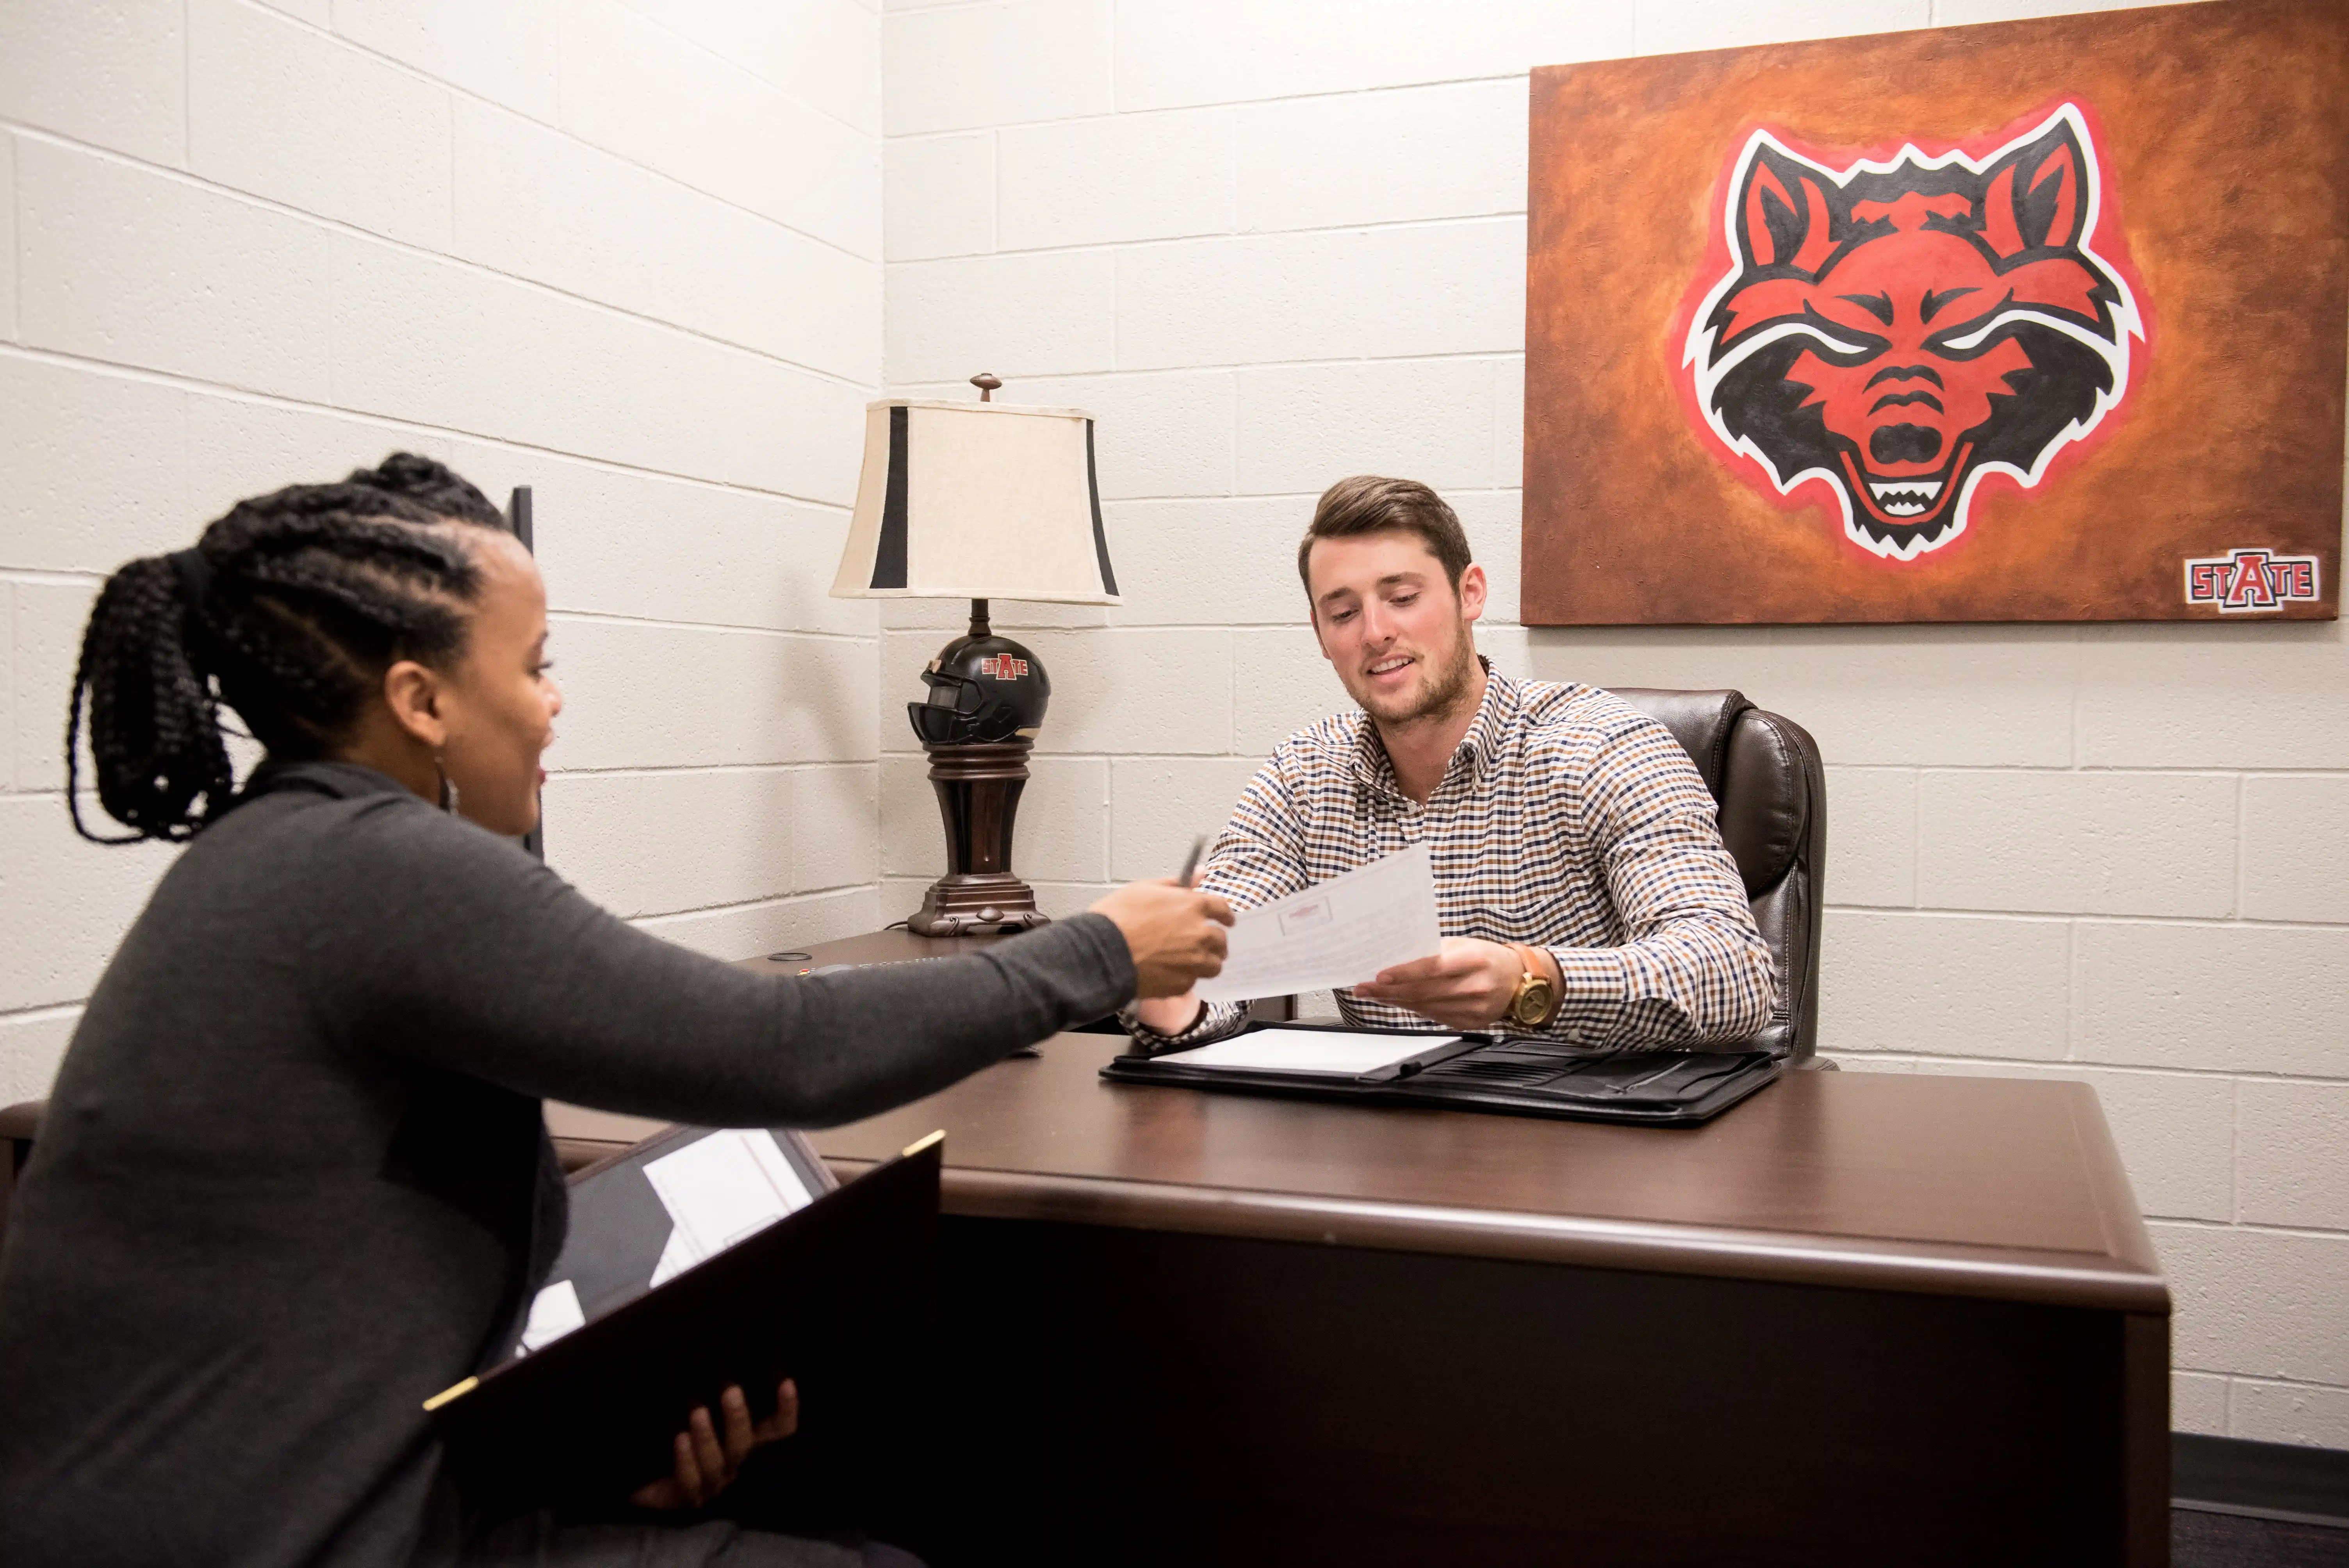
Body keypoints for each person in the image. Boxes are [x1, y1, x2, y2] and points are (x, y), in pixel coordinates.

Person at [0, 455, 1233, 1568]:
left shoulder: (280, 856)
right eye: (534, 665)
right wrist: (1102, 950)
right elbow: (780, 1051)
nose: (554, 703)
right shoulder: (370, 871)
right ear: (423, 701)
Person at [1126, 474, 1773, 1050]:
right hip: (1389, 1147)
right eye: (1344, 612)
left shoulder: (1604, 747)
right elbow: (1215, 972)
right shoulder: (1302, 778)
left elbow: (1735, 976)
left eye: (1402, 597)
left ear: (1471, 594)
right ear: (1322, 638)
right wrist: (1169, 985)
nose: (1375, 631)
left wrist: (1532, 982)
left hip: (1591, 1137)